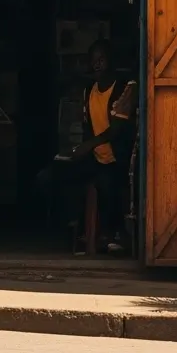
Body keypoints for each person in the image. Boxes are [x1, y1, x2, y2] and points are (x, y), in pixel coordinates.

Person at [38, 40, 137, 255]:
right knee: (51, 176)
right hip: (94, 157)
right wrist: (76, 152)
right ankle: (78, 228)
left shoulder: (126, 87)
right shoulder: (89, 91)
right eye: (93, 61)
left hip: (118, 159)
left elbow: (116, 130)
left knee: (106, 182)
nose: (97, 65)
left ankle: (113, 234)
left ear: (110, 61)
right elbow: (87, 129)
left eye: (101, 59)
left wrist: (87, 146)